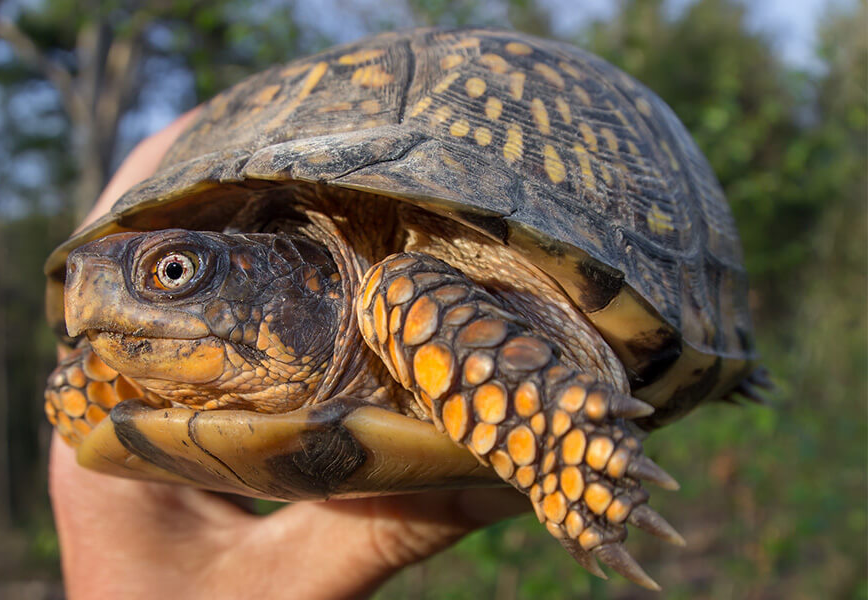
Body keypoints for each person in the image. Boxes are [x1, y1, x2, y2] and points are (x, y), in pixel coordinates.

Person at [50, 109, 531, 599]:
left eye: (173, 271)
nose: (85, 288)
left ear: (313, 289)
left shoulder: (405, 296)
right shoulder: (114, 370)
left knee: (405, 290)